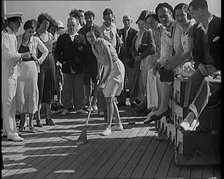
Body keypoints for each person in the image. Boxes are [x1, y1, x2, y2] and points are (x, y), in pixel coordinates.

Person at [170, 0, 221, 131]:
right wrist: (199, 66)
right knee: (193, 79)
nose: (191, 16)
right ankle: (192, 119)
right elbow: (195, 53)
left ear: (200, 11)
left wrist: (216, 67)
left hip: (218, 69)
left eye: (192, 13)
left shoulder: (219, 24)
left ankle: (191, 117)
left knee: (207, 82)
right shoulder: (196, 29)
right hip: (205, 67)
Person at [144, 2, 183, 123]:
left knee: (166, 71)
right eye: (160, 17)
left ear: (171, 14)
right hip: (175, 61)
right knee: (154, 72)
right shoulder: (166, 33)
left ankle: (163, 107)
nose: (163, 19)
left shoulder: (179, 27)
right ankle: (156, 106)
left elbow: (181, 51)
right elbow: (164, 54)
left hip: (185, 60)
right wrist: (159, 64)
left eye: (165, 15)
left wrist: (167, 63)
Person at [86, 30, 125, 136]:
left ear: (97, 35)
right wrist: (99, 74)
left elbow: (111, 64)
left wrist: (103, 80)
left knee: (109, 97)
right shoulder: (93, 46)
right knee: (109, 97)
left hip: (116, 68)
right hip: (108, 68)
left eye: (92, 36)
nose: (90, 38)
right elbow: (100, 61)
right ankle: (118, 124)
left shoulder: (103, 43)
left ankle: (108, 127)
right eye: (88, 37)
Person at [2, 12, 31, 141]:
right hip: (7, 74)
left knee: (10, 102)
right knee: (9, 103)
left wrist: (17, 58)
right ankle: (12, 132)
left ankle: (6, 129)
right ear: (11, 22)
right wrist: (21, 56)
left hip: (12, 73)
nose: (19, 25)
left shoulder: (12, 35)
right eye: (18, 23)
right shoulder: (5, 36)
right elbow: (6, 55)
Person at [16, 19, 49, 132]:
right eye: (29, 31)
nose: (31, 34)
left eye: (33, 32)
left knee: (32, 94)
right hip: (20, 70)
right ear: (25, 29)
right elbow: (14, 53)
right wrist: (21, 55)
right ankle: (21, 122)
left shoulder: (35, 40)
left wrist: (39, 61)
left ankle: (31, 123)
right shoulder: (18, 38)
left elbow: (46, 51)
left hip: (32, 69)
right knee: (20, 95)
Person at [55, 17, 87, 115]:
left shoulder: (81, 37)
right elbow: (57, 52)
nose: (71, 27)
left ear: (77, 25)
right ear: (67, 25)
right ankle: (66, 107)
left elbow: (85, 53)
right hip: (67, 66)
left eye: (73, 25)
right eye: (69, 25)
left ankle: (79, 107)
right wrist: (62, 61)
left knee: (79, 87)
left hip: (78, 67)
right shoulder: (62, 38)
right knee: (67, 88)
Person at [130, 10, 155, 108]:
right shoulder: (137, 34)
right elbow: (133, 47)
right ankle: (142, 101)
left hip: (146, 60)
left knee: (146, 83)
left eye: (142, 23)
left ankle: (147, 104)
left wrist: (141, 56)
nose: (140, 26)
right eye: (138, 24)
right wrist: (135, 55)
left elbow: (151, 47)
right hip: (139, 62)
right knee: (140, 83)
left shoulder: (148, 33)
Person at [35, 13, 56, 126]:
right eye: (44, 24)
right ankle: (38, 117)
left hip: (50, 61)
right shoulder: (35, 35)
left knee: (50, 88)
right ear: (40, 23)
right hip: (41, 63)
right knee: (40, 88)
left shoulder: (51, 35)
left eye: (48, 24)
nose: (46, 26)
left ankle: (48, 116)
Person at [79, 11, 100, 111]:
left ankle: (94, 102)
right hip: (86, 59)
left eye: (90, 17)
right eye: (86, 18)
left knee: (96, 82)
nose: (88, 19)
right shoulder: (82, 30)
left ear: (93, 18)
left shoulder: (97, 29)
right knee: (86, 82)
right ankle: (87, 102)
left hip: (95, 59)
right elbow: (79, 45)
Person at [116, 15, 137, 108]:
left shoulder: (135, 33)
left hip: (130, 61)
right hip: (121, 60)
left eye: (128, 20)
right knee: (121, 81)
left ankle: (133, 100)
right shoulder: (119, 32)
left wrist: (131, 58)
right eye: (124, 20)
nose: (126, 22)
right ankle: (121, 100)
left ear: (131, 21)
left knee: (132, 81)